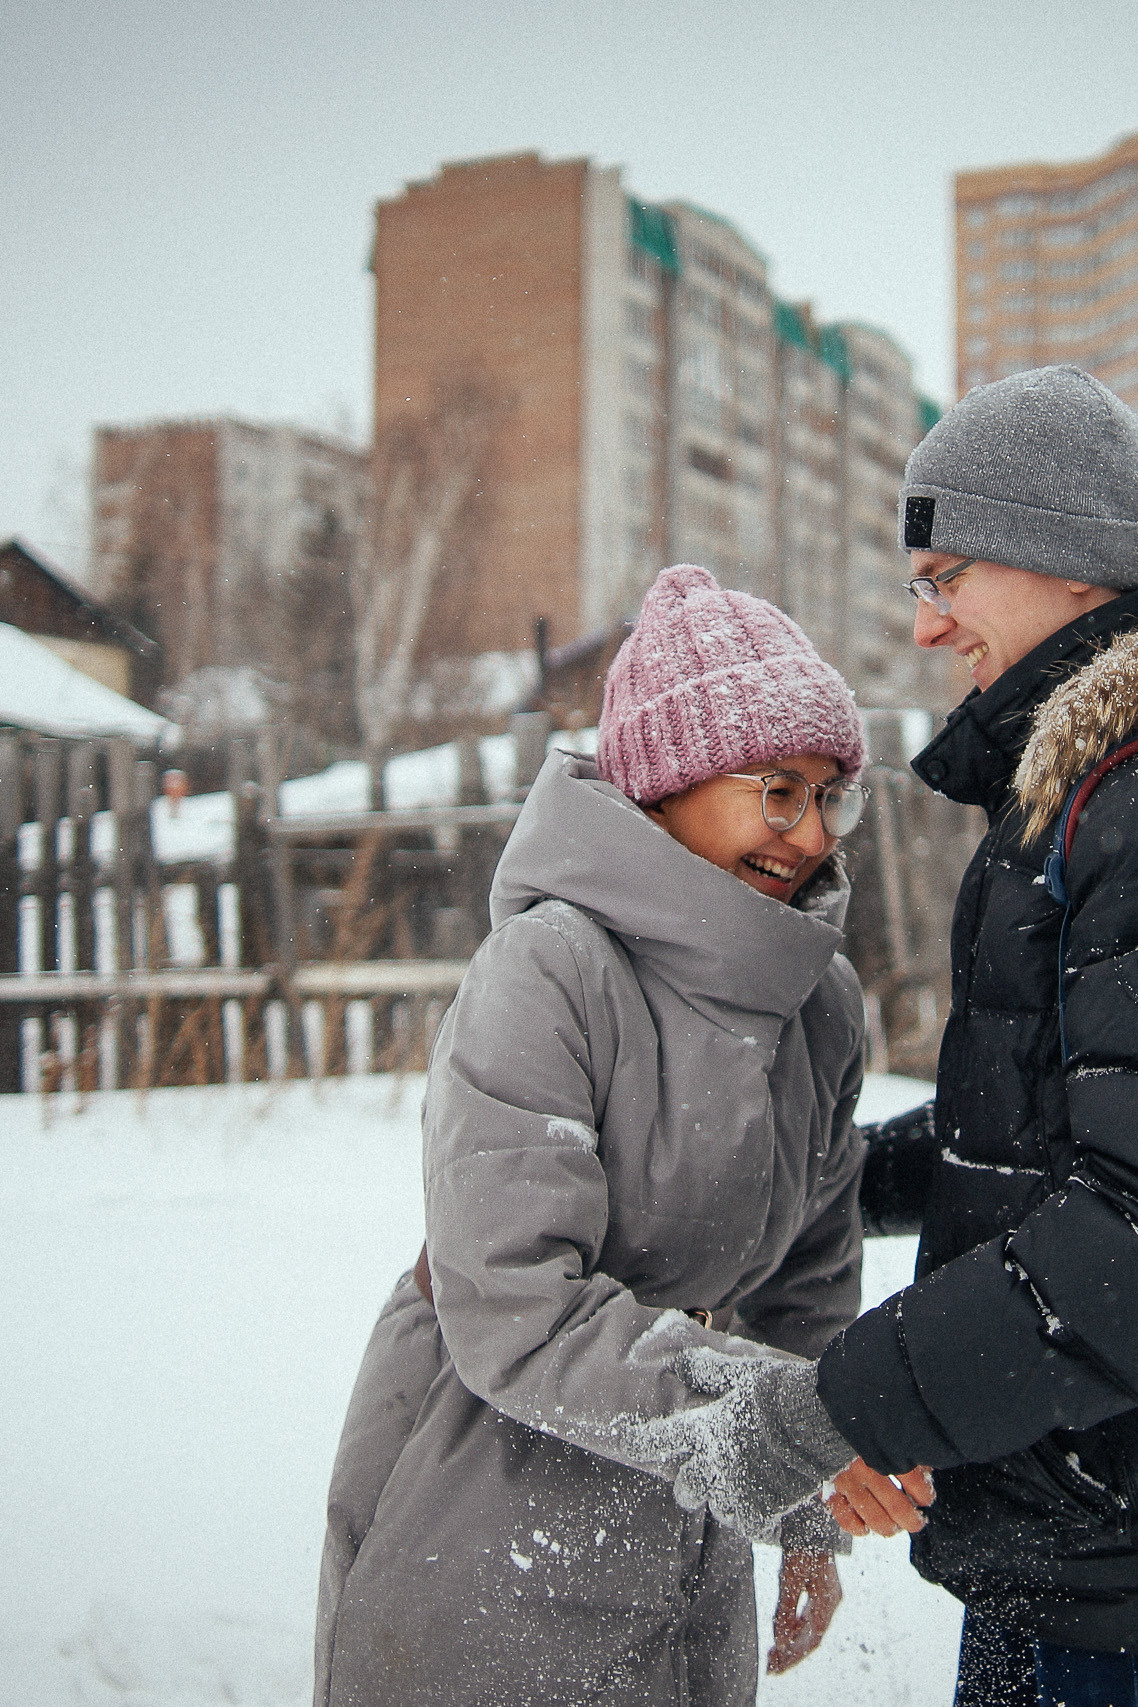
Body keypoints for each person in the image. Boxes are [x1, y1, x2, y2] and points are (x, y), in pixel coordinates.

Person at [687, 366, 1138, 1706]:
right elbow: (1061, 1138)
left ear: (1066, 562)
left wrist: (844, 1400)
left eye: (947, 573)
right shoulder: (1123, 790)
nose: (931, 623)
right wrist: (832, 1176)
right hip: (1093, 1511)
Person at [313, 563, 894, 1707]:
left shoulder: (819, 1004)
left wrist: (812, 1519)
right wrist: (777, 1426)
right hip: (485, 1474)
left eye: (834, 796)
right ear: (664, 784)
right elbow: (513, 1301)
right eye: (778, 790)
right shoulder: (552, 970)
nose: (812, 831)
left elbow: (811, 1279)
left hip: (699, 1479)